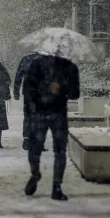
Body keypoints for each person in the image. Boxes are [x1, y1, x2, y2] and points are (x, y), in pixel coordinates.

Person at [22, 48, 80, 201]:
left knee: (60, 151)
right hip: (40, 113)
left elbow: (75, 93)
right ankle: (35, 174)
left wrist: (62, 86)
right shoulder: (37, 65)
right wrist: (32, 108)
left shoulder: (70, 68)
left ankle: (57, 186)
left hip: (59, 114)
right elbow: (28, 88)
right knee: (35, 149)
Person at [13, 52, 40, 150]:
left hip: (29, 91)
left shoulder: (26, 59)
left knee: (28, 116)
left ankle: (27, 139)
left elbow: (19, 75)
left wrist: (16, 90)